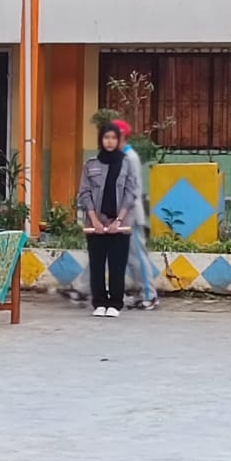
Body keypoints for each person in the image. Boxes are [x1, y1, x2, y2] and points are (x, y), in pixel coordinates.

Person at [78, 122, 141, 318]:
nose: (110, 141)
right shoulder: (91, 164)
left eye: (114, 138)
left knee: (117, 265)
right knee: (97, 265)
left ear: (118, 140)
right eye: (106, 137)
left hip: (120, 225)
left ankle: (115, 303)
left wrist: (119, 220)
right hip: (95, 223)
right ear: (101, 140)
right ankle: (99, 302)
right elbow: (84, 193)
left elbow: (130, 193)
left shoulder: (127, 163)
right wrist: (94, 220)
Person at [113, 119, 158, 311]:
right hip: (121, 215)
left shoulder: (129, 157)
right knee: (130, 258)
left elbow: (132, 190)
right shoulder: (120, 156)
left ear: (122, 136)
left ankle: (150, 295)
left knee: (138, 256)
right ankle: (142, 293)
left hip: (131, 215)